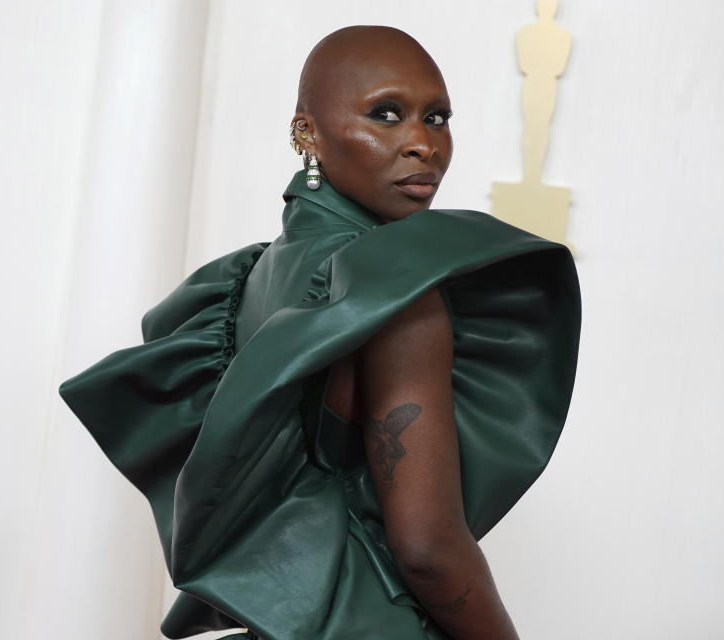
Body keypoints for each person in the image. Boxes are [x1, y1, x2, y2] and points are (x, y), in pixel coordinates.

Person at [60, 26, 580, 640]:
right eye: (386, 114)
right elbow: (428, 548)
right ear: (307, 131)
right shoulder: (398, 297)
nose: (422, 144)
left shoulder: (249, 276)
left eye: (436, 118)